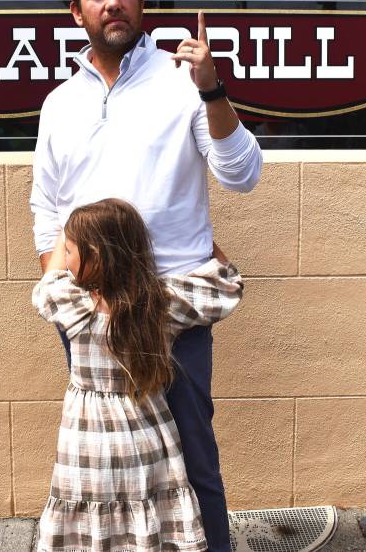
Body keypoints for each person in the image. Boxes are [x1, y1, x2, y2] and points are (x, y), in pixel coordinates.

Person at [30, 0, 263, 552]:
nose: (113, 2)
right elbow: (47, 207)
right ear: (77, 12)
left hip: (173, 307)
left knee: (193, 459)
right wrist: (61, 290)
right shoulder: (60, 103)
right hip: (89, 315)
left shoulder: (183, 82)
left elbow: (241, 175)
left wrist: (212, 90)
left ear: (141, 2)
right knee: (108, 470)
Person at [32, 199, 244, 552]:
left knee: (94, 520)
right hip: (149, 437)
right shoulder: (161, 304)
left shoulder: (70, 304)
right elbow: (229, 285)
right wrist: (200, 236)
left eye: (70, 250)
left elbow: (47, 282)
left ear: (94, 256)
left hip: (86, 447)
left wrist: (63, 221)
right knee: (147, 513)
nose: (65, 258)